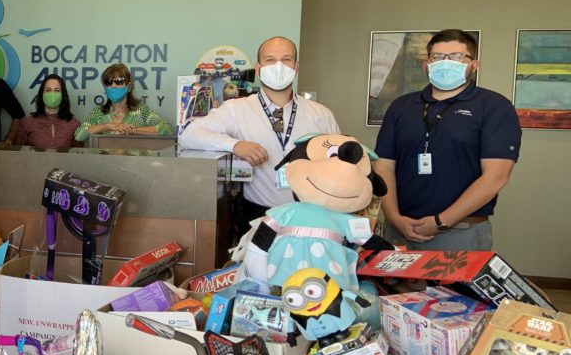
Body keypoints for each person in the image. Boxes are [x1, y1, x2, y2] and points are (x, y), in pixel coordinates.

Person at [374, 28, 521, 250]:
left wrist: (440, 222)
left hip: (460, 232)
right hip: (399, 230)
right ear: (426, 65)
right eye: (437, 57)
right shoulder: (402, 106)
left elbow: (496, 177)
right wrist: (394, 218)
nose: (445, 63)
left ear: (474, 65)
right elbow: (384, 165)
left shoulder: (494, 107)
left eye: (456, 56)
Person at [179, 37, 339, 236]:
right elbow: (189, 135)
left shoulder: (320, 114)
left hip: (312, 218)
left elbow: (341, 165)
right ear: (258, 68)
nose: (278, 66)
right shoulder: (237, 109)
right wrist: (235, 145)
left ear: (296, 67)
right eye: (270, 60)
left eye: (286, 59)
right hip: (258, 217)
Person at [73, 63, 174, 142]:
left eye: (119, 81)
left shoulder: (140, 110)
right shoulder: (99, 112)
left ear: (129, 86)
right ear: (105, 87)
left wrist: (131, 130)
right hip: (103, 161)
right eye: (108, 82)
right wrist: (108, 126)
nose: (113, 86)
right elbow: (79, 135)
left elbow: (167, 129)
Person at [12, 74, 82, 149]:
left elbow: (78, 154)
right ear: (42, 94)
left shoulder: (75, 125)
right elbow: (18, 153)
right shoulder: (27, 123)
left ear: (63, 95)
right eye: (48, 90)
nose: (52, 94)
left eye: (57, 90)